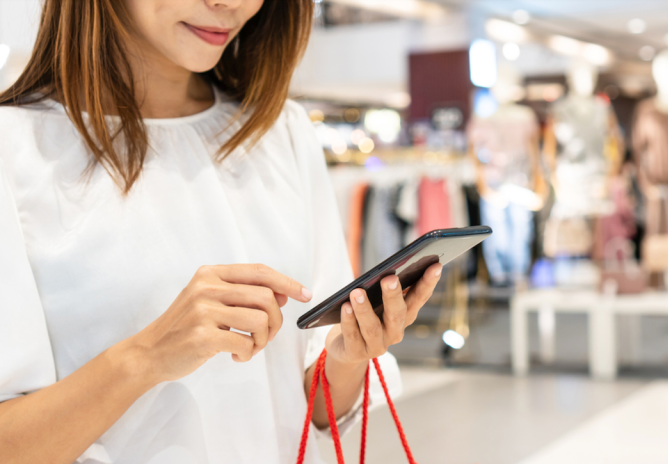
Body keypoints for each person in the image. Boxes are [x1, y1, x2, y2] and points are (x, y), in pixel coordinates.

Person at [0, 1, 442, 463]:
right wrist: (144, 357)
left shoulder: (280, 132)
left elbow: (311, 404)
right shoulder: (15, 151)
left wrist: (348, 357)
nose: (230, 3)